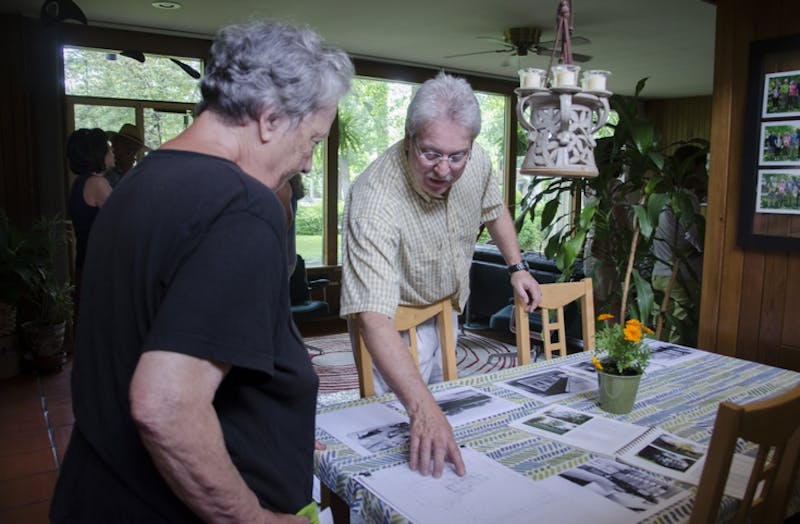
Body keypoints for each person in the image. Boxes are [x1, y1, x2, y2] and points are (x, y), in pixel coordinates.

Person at [50, 21, 353, 523]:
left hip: (96, 491)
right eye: (313, 140)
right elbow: (165, 404)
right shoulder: (242, 208)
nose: (306, 163)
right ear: (271, 118)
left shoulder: (140, 182)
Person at [340, 72, 542, 479]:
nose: (445, 170)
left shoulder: (477, 159)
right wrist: (423, 409)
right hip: (391, 323)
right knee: (397, 435)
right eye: (431, 154)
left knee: (443, 412)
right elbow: (373, 319)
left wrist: (516, 266)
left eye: (457, 156)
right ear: (408, 138)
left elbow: (494, 208)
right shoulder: (374, 199)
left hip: (446, 307)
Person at [651, 146, 707, 344]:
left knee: (661, 328)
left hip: (658, 271)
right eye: (703, 167)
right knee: (680, 331)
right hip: (680, 275)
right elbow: (694, 236)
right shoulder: (685, 199)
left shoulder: (659, 197)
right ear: (692, 167)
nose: (706, 172)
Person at [66, 127, 114, 317]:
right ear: (98, 153)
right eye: (108, 148)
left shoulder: (80, 182)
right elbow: (125, 219)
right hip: (98, 267)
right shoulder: (96, 183)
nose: (112, 152)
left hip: (86, 263)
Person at [105, 123, 148, 187]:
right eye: (126, 145)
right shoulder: (103, 168)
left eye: (134, 150)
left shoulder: (133, 173)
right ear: (115, 143)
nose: (130, 152)